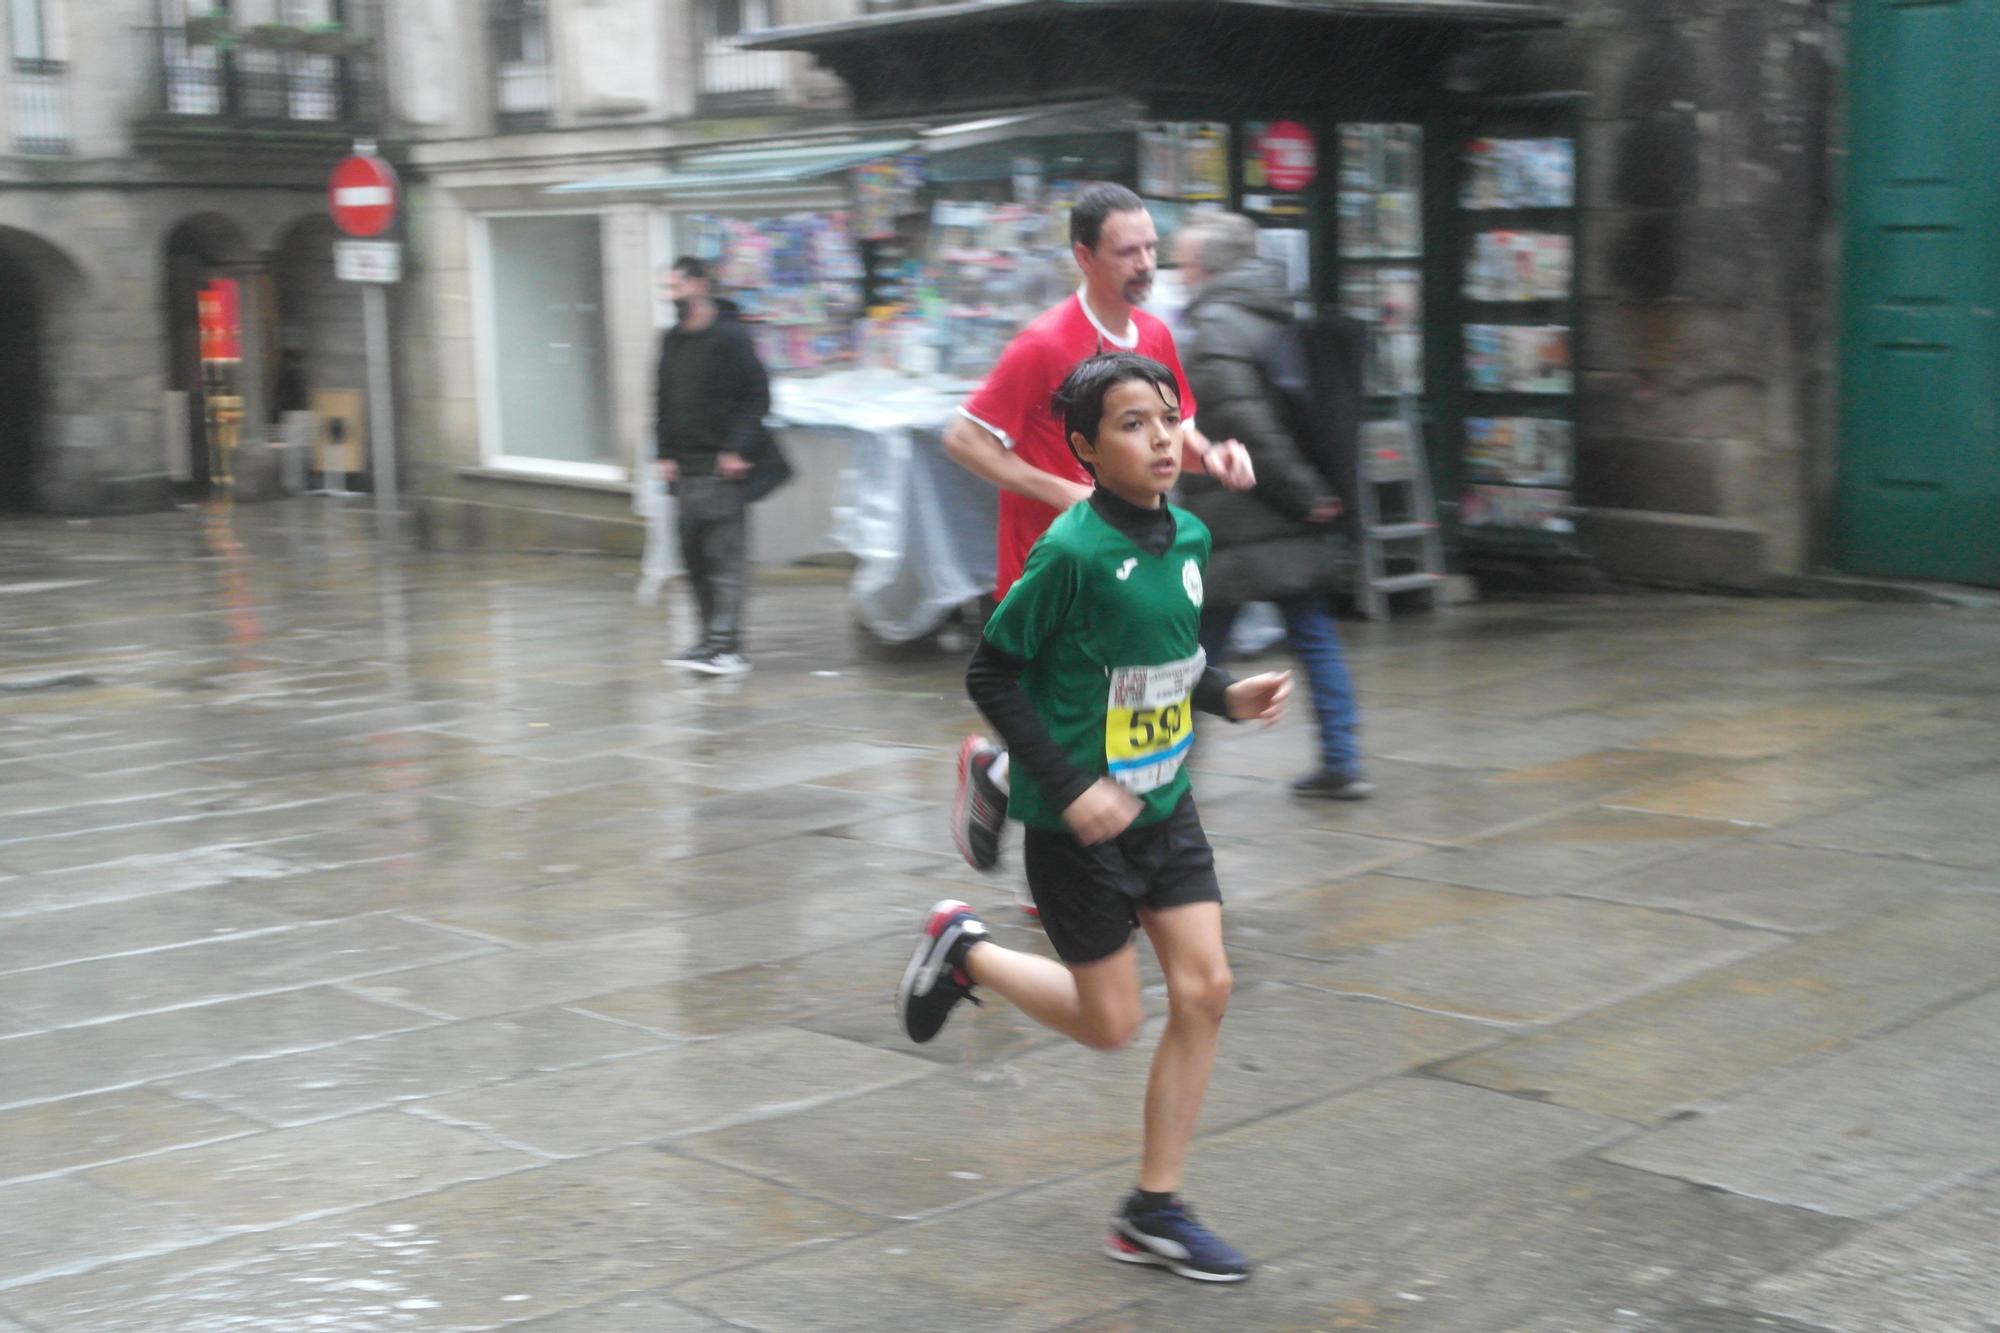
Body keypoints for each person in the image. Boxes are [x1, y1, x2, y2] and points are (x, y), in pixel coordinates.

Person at [898, 352, 1291, 1284]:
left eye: (1166, 418)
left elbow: (1170, 662)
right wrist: (1072, 786)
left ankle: (1153, 1211)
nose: (1161, 437)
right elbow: (991, 671)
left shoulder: (1189, 537)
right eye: (1132, 424)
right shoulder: (1070, 551)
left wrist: (1228, 697)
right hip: (1079, 831)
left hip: (1164, 808)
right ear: (1084, 448)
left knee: (1206, 990)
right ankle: (965, 949)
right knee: (1112, 1024)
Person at [945, 183, 1257, 881]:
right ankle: (1055, 875)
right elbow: (964, 440)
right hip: (1051, 563)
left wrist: (1214, 453)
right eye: (1127, 251)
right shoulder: (1044, 342)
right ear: (1084, 256)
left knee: (1110, 709)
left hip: (1129, 554)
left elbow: (1178, 419)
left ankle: (1000, 777)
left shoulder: (1155, 334)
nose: (1145, 263)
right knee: (1068, 717)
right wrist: (1056, 488)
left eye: (1151, 247)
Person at [1174, 212, 1372, 799]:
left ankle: (1166, 777)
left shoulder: (1215, 326)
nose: (1180, 275)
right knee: (1313, 636)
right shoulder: (1274, 310)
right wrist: (1308, 492)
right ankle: (1343, 760)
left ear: (1205, 267)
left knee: (1192, 654)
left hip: (1241, 515)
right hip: (1283, 509)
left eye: (1184, 263)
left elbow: (1245, 427)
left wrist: (1301, 493)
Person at [653, 256, 790, 677]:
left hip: (721, 468)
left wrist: (737, 448)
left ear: (698, 285)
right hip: (685, 469)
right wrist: (663, 452)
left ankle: (727, 646)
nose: (669, 296)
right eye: (667, 289)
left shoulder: (730, 337)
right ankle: (706, 640)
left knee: (724, 559)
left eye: (675, 287)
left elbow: (758, 396)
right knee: (692, 558)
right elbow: (661, 398)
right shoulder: (672, 339)